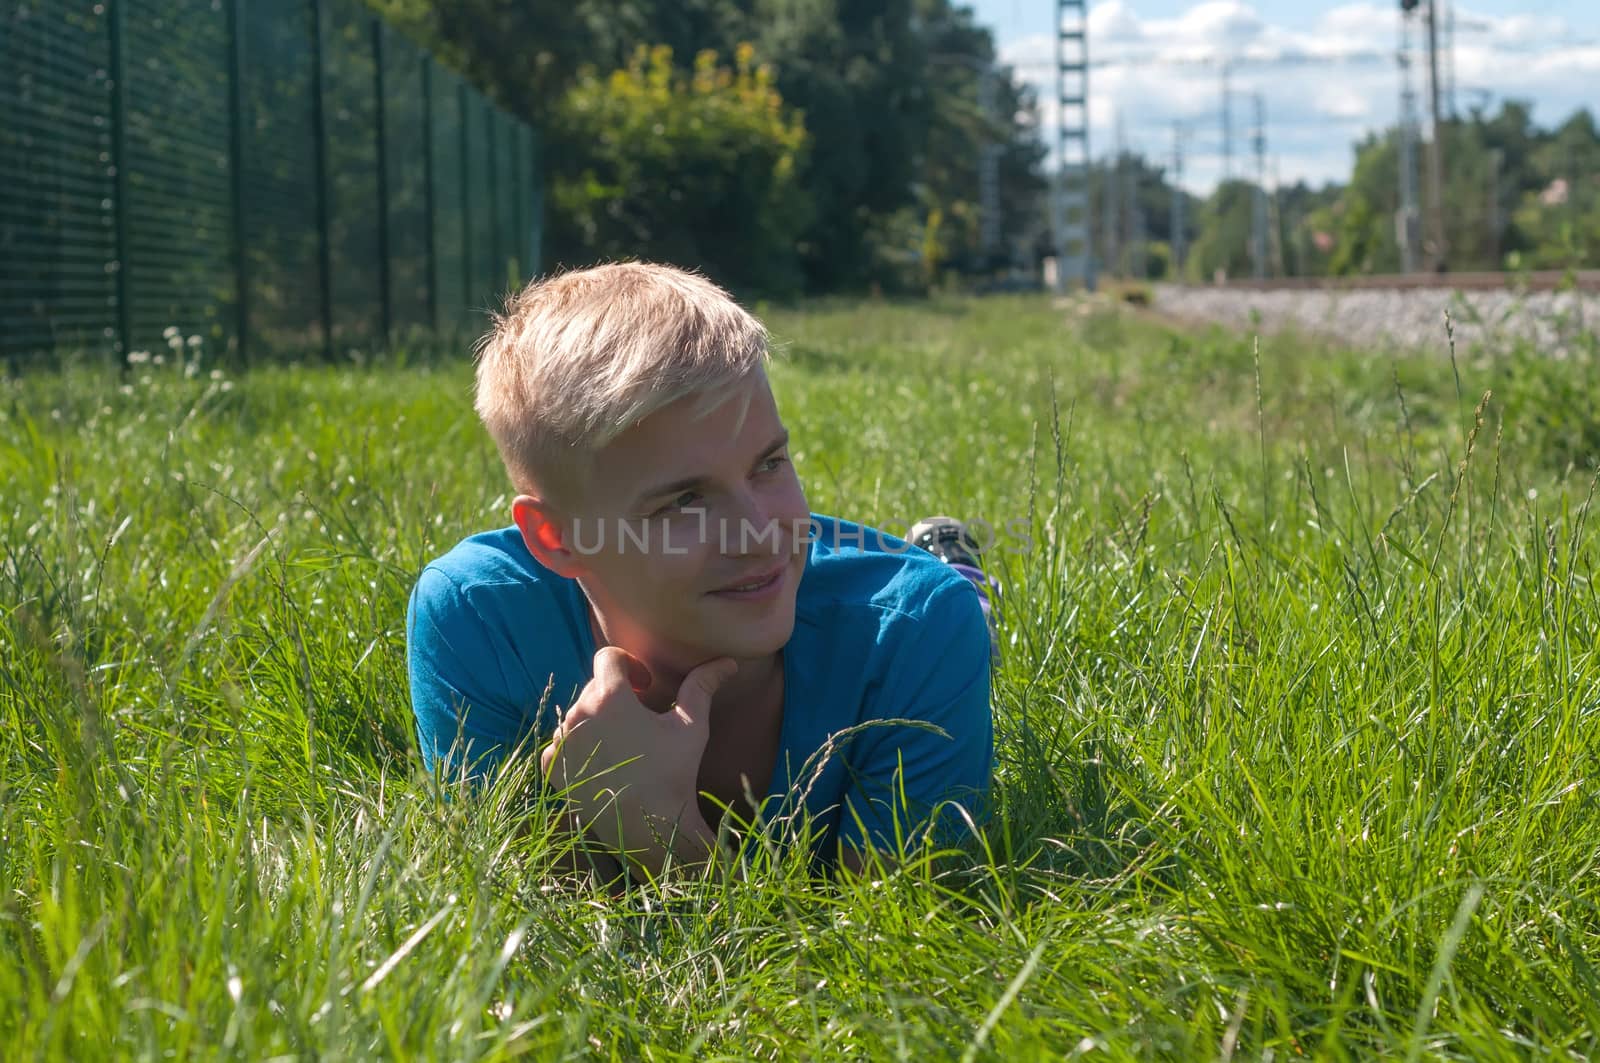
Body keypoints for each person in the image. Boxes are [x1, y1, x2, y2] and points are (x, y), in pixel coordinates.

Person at [406, 262, 995, 878]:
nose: (760, 532)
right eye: (684, 501)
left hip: (908, 601)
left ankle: (959, 569)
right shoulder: (477, 617)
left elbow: (883, 948)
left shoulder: (916, 629)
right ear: (556, 538)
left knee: (962, 609)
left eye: (768, 463)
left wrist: (662, 841)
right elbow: (530, 920)